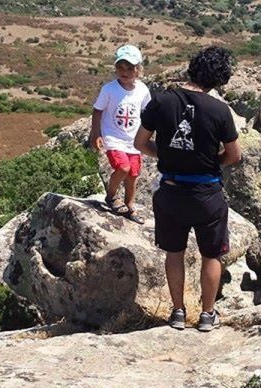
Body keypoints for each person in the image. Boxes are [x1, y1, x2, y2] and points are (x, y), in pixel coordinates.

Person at [134, 46, 241, 332]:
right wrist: (212, 162)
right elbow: (234, 155)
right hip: (207, 193)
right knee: (211, 255)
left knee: (174, 253)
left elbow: (140, 143)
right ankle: (207, 315)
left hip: (171, 191)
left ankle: (178, 312)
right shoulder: (219, 110)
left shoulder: (160, 101)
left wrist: (167, 156)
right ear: (218, 79)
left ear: (192, 68)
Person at [89, 44, 152, 224]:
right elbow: (98, 110)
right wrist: (96, 133)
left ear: (139, 69)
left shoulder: (142, 90)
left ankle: (129, 206)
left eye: (129, 68)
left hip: (133, 141)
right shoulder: (109, 89)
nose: (124, 72)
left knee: (133, 175)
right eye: (120, 67)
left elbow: (148, 113)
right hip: (113, 137)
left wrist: (148, 136)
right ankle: (111, 196)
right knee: (123, 168)